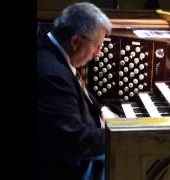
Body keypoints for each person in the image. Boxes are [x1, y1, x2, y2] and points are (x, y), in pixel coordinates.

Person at [37, 2, 113, 180]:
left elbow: (80, 91)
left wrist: (101, 109)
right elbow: (74, 140)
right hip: (69, 167)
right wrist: (118, 134)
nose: (98, 54)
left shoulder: (56, 51)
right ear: (76, 41)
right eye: (97, 46)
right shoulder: (52, 75)